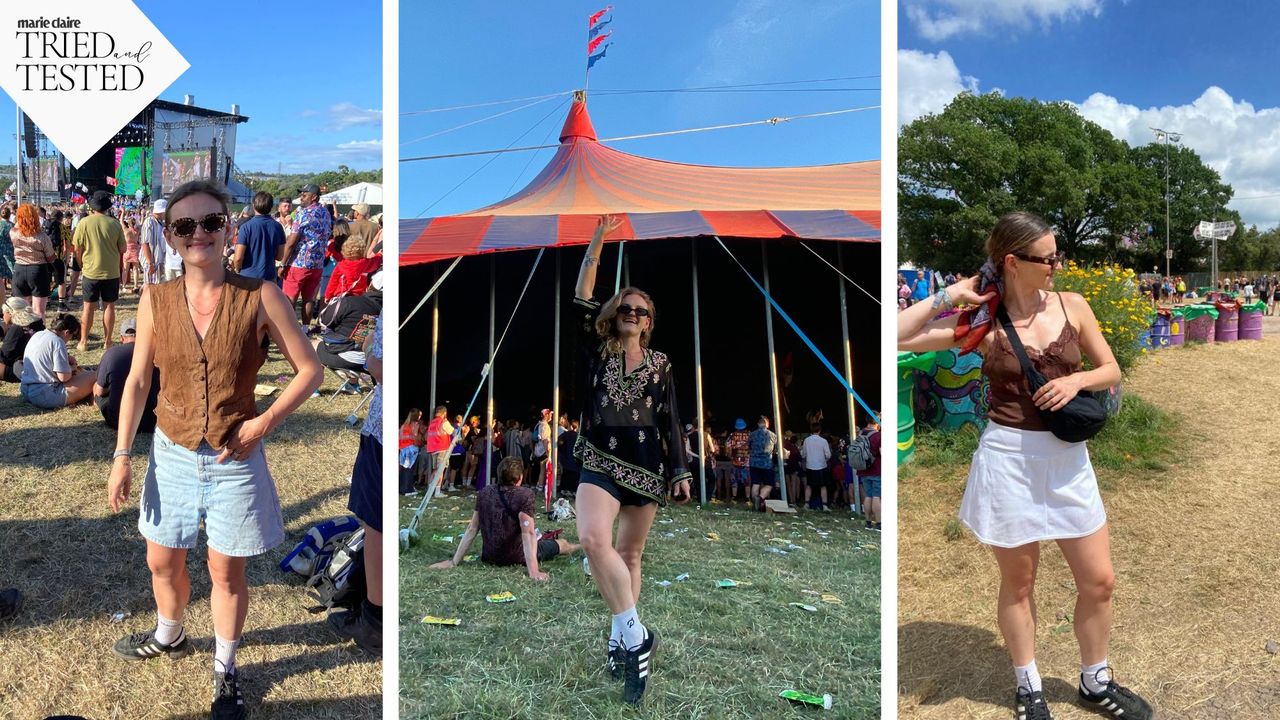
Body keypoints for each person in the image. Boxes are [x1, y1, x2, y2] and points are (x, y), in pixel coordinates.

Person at [897, 211, 1151, 720]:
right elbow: (895, 337)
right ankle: (1028, 685)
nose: (1057, 265)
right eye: (1048, 258)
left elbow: (1110, 369)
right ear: (1012, 263)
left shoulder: (1072, 306)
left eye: (1057, 255)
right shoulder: (982, 323)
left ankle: (1095, 680)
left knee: (1099, 580)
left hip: (1068, 462)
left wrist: (1077, 382)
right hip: (1009, 461)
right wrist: (950, 295)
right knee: (1020, 583)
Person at [105, 180, 324, 720]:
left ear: (228, 228)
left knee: (226, 571)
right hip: (172, 451)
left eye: (209, 222)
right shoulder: (155, 300)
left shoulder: (260, 295)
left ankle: (226, 667)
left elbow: (311, 371)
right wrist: (121, 456)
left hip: (236, 454)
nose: (198, 233)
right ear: (170, 235)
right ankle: (170, 633)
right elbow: (135, 384)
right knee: (161, 559)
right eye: (185, 225)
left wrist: (264, 423)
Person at [572, 215, 691, 705]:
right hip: (599, 456)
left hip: (647, 464)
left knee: (631, 555)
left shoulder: (661, 364)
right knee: (592, 539)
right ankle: (636, 632)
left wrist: (681, 469)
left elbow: (671, 418)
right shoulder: (599, 350)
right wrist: (599, 238)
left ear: (650, 320)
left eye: (641, 310)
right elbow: (581, 294)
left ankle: (621, 640)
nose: (634, 313)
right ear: (614, 313)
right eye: (626, 307)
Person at [328, 311, 383, 655]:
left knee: (375, 522)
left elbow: (379, 368)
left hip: (381, 430)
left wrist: (368, 348)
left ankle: (374, 620)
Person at [429, 456, 582, 577]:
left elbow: (472, 529)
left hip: (490, 555)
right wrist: (534, 571)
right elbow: (527, 533)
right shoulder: (524, 495)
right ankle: (581, 547)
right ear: (520, 477)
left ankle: (580, 546)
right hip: (517, 555)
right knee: (562, 543)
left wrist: (454, 561)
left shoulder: (485, 493)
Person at [72, 191, 127, 352]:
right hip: (111, 272)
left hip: (90, 271)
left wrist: (82, 264)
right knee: (109, 306)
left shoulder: (84, 223)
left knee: (88, 307)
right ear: (107, 207)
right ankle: (108, 341)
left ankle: (83, 341)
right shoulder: (115, 224)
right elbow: (123, 248)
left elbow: (77, 248)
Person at [94, 318, 160, 431]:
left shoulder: (111, 353)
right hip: (152, 419)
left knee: (97, 389)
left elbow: (100, 391)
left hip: (119, 421)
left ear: (121, 338)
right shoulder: (156, 353)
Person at [281, 184, 332, 329]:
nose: (301, 198)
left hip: (299, 263)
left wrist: (282, 263)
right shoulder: (325, 213)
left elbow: (291, 241)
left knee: (289, 298)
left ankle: (288, 328)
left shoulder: (303, 214)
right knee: (309, 298)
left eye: (304, 195)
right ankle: (304, 329)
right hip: (317, 264)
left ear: (314, 197)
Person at [313, 271, 382, 375]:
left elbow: (324, 320)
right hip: (378, 362)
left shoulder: (350, 302)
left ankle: (314, 388)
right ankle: (353, 384)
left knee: (312, 344)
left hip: (346, 357)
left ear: (371, 284)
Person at [19, 313, 93, 408]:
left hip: (26, 390)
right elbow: (64, 377)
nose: (70, 339)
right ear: (66, 332)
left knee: (83, 374)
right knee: (94, 375)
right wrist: (73, 368)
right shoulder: (58, 342)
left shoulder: (38, 334)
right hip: (44, 395)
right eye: (72, 336)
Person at [10, 204, 56, 318]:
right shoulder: (42, 236)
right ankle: (38, 333)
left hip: (19, 269)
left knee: (21, 311)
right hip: (37, 270)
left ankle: (22, 333)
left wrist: (21, 219)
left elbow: (16, 226)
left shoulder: (13, 233)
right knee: (38, 311)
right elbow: (51, 257)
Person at [231, 192, 286, 282]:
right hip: (269, 277)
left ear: (253, 205)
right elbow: (280, 256)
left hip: (247, 276)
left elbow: (238, 258)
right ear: (271, 207)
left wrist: (237, 269)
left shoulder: (246, 227)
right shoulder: (278, 227)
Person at [2, 297, 44, 383]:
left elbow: (5, 357)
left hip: (24, 371)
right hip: (41, 367)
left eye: (3, 313)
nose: (3, 316)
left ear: (9, 313)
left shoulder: (16, 329)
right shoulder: (38, 323)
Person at [747, 415, 780, 512]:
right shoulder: (772, 435)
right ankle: (760, 498)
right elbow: (776, 449)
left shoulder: (752, 435)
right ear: (767, 424)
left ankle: (755, 505)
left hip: (754, 463)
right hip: (767, 463)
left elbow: (749, 446)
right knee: (769, 484)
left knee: (755, 483)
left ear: (758, 424)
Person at [856, 420, 882, 531]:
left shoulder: (860, 434)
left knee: (868, 496)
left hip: (863, 470)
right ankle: (879, 523)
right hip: (876, 469)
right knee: (876, 496)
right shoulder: (878, 435)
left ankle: (868, 522)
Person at [800, 424, 832, 510]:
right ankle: (825, 505)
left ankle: (806, 504)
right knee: (823, 486)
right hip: (821, 466)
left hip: (810, 466)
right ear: (820, 430)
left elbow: (803, 454)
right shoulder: (823, 441)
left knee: (809, 485)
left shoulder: (806, 440)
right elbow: (828, 455)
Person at [425, 406, 455, 493]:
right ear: (445, 413)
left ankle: (430, 489)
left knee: (435, 470)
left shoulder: (432, 422)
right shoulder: (444, 422)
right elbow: (453, 432)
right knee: (440, 470)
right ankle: (437, 492)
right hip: (442, 448)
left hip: (433, 449)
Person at [140, 201, 168, 286]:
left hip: (158, 260)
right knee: (150, 287)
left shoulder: (160, 223)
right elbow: (145, 243)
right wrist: (150, 263)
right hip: (151, 261)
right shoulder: (149, 222)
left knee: (157, 286)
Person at [726, 419, 751, 503]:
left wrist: (730, 456)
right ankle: (747, 498)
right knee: (747, 481)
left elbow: (727, 446)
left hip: (734, 461)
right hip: (746, 462)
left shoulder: (732, 435)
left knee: (734, 481)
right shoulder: (749, 435)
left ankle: (734, 498)